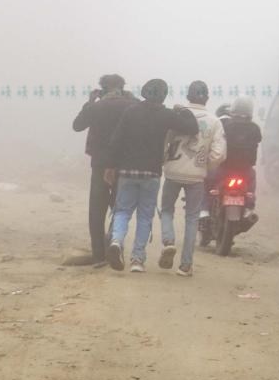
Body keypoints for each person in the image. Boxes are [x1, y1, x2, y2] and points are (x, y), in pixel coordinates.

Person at [106, 79, 198, 272]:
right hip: (151, 173)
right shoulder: (166, 115)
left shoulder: (130, 111)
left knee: (122, 211)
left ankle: (116, 241)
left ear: (144, 92)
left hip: (127, 171)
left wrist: (111, 166)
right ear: (164, 96)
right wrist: (183, 110)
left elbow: (116, 139)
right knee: (145, 216)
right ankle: (137, 260)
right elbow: (192, 128)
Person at [158, 81, 226, 276]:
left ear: (188, 96)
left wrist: (164, 160)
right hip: (196, 176)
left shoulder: (176, 115)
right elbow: (219, 154)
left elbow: (164, 141)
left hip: (173, 172)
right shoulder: (214, 122)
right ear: (207, 98)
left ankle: (169, 241)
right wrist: (205, 166)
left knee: (167, 209)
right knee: (192, 218)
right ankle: (185, 265)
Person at [71, 74, 137, 267]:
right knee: (120, 209)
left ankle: (98, 254)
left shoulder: (96, 107)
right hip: (124, 164)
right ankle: (114, 245)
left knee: (96, 210)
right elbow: (145, 114)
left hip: (100, 164)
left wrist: (90, 102)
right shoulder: (131, 106)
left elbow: (77, 126)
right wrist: (132, 98)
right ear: (122, 87)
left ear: (103, 89)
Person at [220, 96, 262, 206]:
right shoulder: (255, 128)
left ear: (233, 109)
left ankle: (206, 207)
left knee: (210, 183)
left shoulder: (225, 125)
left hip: (225, 167)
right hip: (245, 169)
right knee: (252, 179)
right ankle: (249, 204)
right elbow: (258, 139)